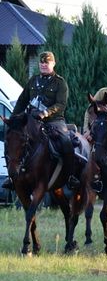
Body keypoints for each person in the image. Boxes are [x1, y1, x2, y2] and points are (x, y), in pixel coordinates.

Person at [2, 51, 81, 190]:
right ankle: (12, 177)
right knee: (12, 138)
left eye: (47, 62)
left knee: (66, 142)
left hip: (54, 121)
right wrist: (14, 118)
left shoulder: (60, 82)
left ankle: (70, 177)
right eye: (42, 62)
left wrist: (45, 113)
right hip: (31, 120)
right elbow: (22, 101)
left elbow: (61, 104)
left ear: (53, 64)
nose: (44, 65)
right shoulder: (33, 80)